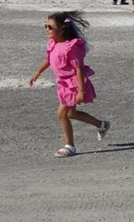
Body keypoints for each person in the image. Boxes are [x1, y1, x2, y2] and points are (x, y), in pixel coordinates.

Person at [28, 11, 110, 158]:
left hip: (73, 84)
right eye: (45, 26)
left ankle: (70, 146)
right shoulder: (53, 44)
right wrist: (37, 72)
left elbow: (78, 70)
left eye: (50, 27)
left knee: (61, 114)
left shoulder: (71, 47)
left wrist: (81, 91)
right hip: (63, 83)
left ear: (62, 29)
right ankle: (101, 124)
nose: (47, 29)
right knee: (71, 113)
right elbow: (49, 59)